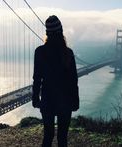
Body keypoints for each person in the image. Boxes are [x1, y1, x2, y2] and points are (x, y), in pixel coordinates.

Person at [32, 15, 79, 147]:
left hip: (47, 100)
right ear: (61, 32)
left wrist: (35, 98)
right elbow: (73, 80)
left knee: (48, 136)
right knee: (62, 138)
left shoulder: (40, 52)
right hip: (66, 101)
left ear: (47, 33)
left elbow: (37, 78)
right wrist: (75, 101)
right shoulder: (68, 53)